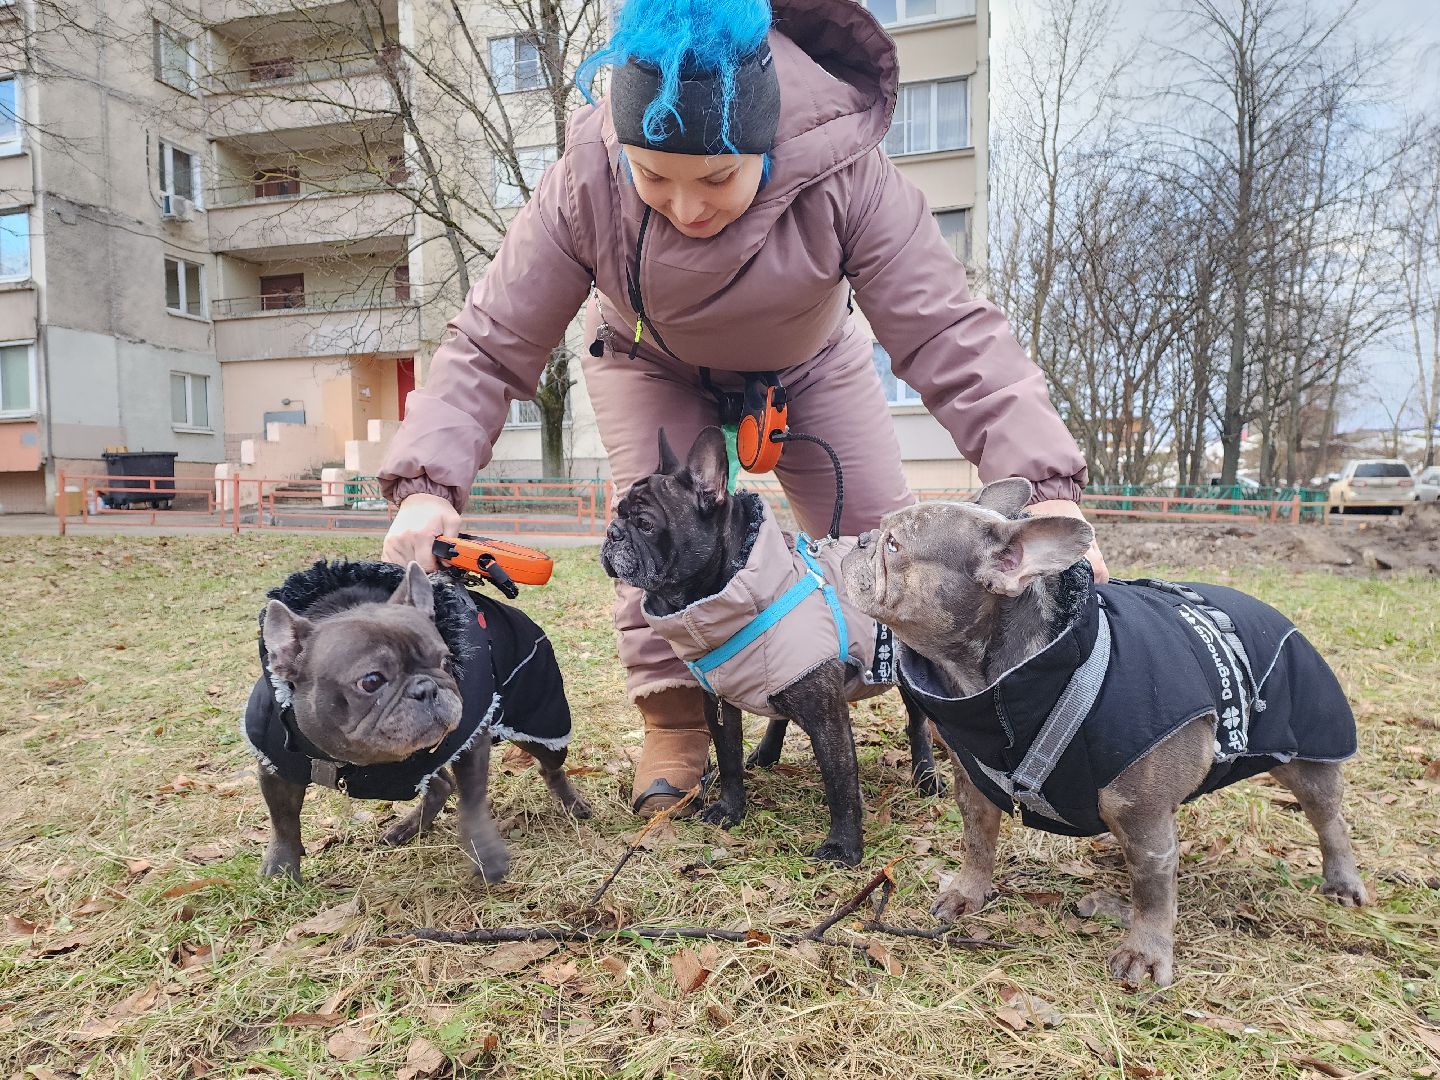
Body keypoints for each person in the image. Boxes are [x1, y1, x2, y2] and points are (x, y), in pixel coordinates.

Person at [378, 0, 1107, 817]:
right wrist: (427, 482)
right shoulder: (583, 174)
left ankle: (936, 690)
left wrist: (1042, 479)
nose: (686, 208)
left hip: (808, 362)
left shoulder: (847, 171)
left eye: (717, 178)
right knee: (657, 533)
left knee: (885, 541)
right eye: (653, 177)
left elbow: (948, 331)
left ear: (767, 142)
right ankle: (677, 717)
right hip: (649, 359)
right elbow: (492, 338)